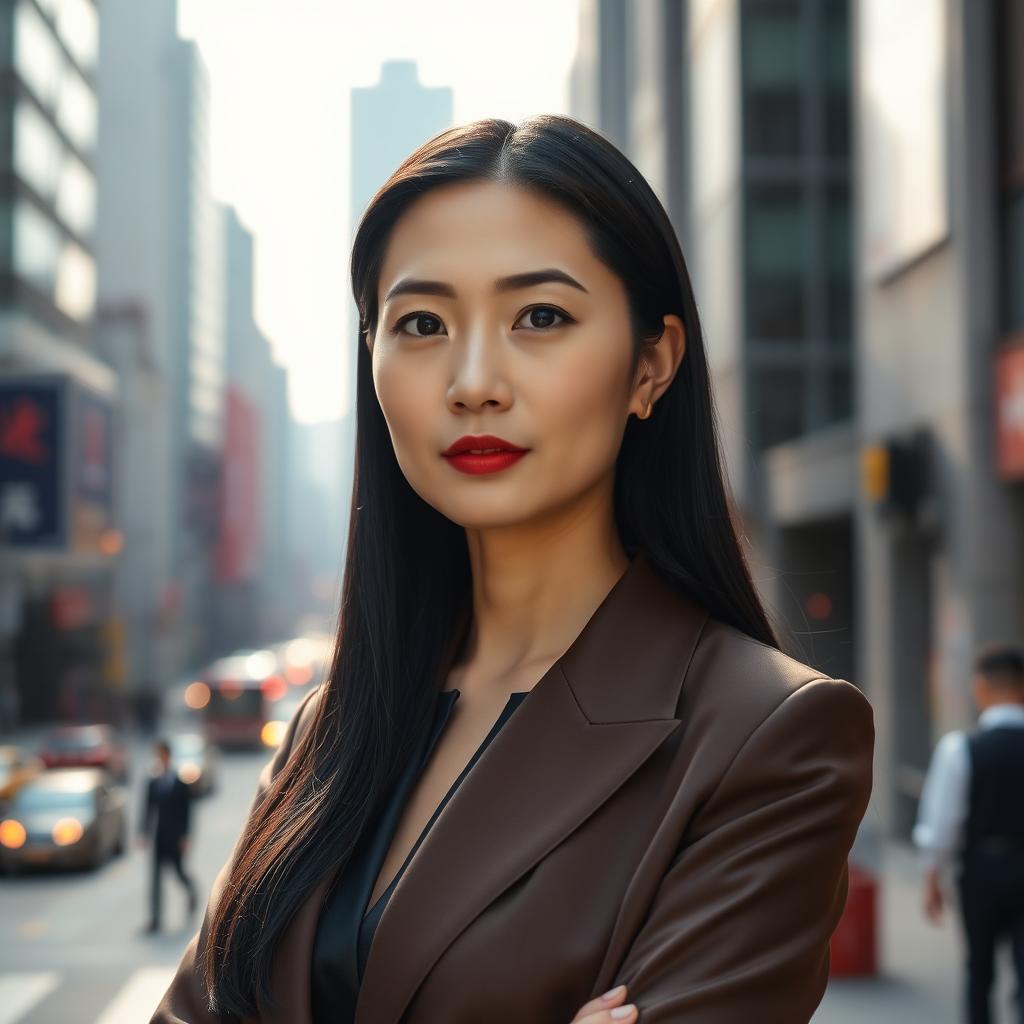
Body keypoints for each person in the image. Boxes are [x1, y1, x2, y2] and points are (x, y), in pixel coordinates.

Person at [152, 115, 874, 1024]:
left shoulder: (769, 738)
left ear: (652, 364)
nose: (474, 380)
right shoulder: (330, 725)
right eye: (421, 323)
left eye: (540, 316)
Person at [914, 644, 1024, 1023]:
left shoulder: (962, 748)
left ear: (980, 688)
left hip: (981, 872)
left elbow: (943, 822)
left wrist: (932, 876)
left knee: (980, 970)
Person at [138, 737, 198, 934]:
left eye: (163, 755)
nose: (160, 758)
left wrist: (185, 836)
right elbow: (147, 809)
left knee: (179, 873)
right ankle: (155, 920)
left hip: (176, 837)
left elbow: (187, 812)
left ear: (168, 756)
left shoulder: (180, 783)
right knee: (155, 879)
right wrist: (143, 833)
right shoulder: (153, 781)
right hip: (159, 837)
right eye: (158, 755)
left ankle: (191, 893)